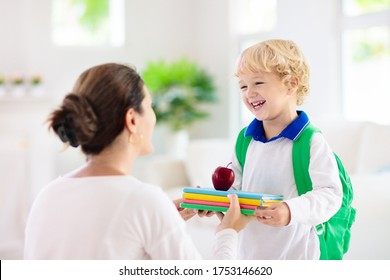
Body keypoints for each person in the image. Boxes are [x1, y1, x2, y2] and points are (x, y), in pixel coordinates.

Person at [23, 62, 253, 260]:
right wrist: (228, 232)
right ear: (132, 119)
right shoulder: (144, 201)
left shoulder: (48, 195)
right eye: (149, 106)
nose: (153, 117)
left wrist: (164, 220)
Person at [230, 39, 343, 259]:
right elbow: (235, 192)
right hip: (249, 257)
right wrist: (214, 203)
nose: (248, 93)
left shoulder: (310, 140)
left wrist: (290, 211)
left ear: (291, 84)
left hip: (297, 256)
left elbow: (330, 195)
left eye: (258, 83)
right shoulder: (245, 140)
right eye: (243, 86)